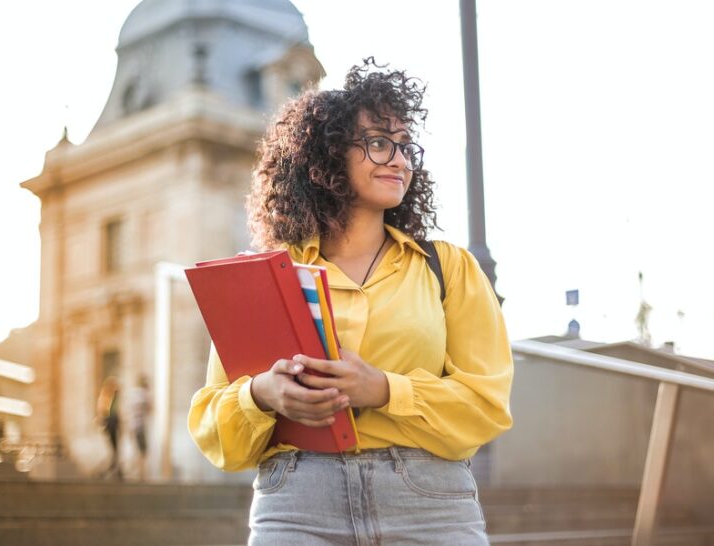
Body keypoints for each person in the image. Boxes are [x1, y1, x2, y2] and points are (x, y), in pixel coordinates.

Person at [188, 58, 513, 545]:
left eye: (405, 146)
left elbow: (486, 406)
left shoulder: (448, 268)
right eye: (380, 143)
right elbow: (215, 429)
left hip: (428, 502)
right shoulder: (266, 278)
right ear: (327, 155)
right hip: (297, 501)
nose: (400, 160)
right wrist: (262, 395)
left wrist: (383, 389)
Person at [96, 376, 122, 479]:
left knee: (115, 448)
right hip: (110, 423)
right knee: (113, 448)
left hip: (113, 423)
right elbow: (103, 412)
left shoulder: (113, 398)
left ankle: (116, 469)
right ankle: (113, 468)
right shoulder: (106, 396)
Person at [130, 374, 152, 481]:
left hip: (133, 426)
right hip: (140, 426)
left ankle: (139, 473)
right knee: (143, 451)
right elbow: (150, 409)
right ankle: (141, 474)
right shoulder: (144, 395)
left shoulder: (133, 394)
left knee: (139, 450)